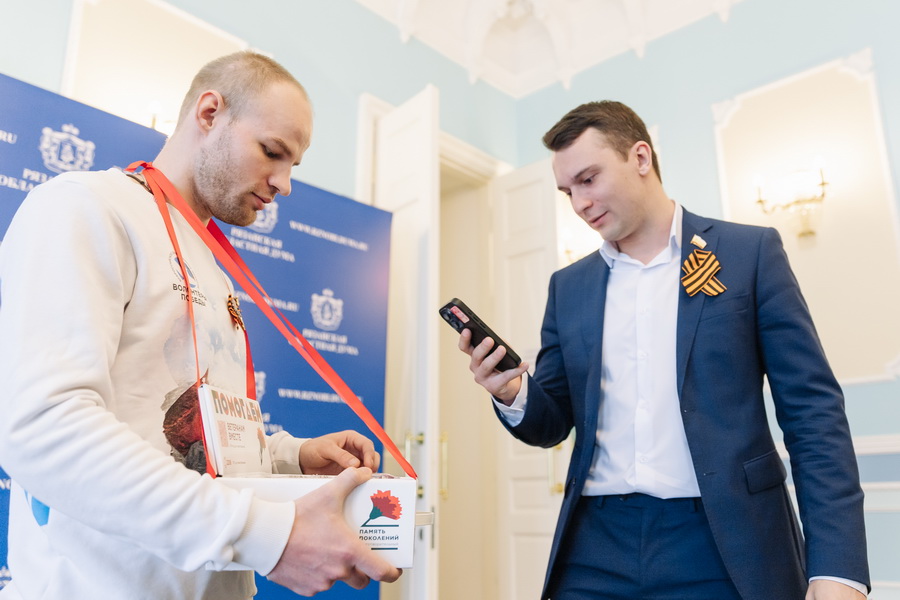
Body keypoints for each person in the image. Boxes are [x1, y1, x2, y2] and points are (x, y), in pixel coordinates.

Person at [0, 51, 401, 599]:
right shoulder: (86, 207)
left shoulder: (211, 265)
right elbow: (43, 427)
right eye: (273, 152)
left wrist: (291, 457)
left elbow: (185, 437)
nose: (285, 184)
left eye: (293, 165)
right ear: (210, 113)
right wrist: (266, 536)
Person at [459, 101, 869, 600]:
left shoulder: (749, 255)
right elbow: (553, 422)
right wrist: (512, 392)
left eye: (588, 179)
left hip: (723, 540)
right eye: (567, 192)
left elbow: (813, 413)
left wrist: (838, 570)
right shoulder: (568, 286)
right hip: (595, 543)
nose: (579, 204)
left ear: (640, 157)